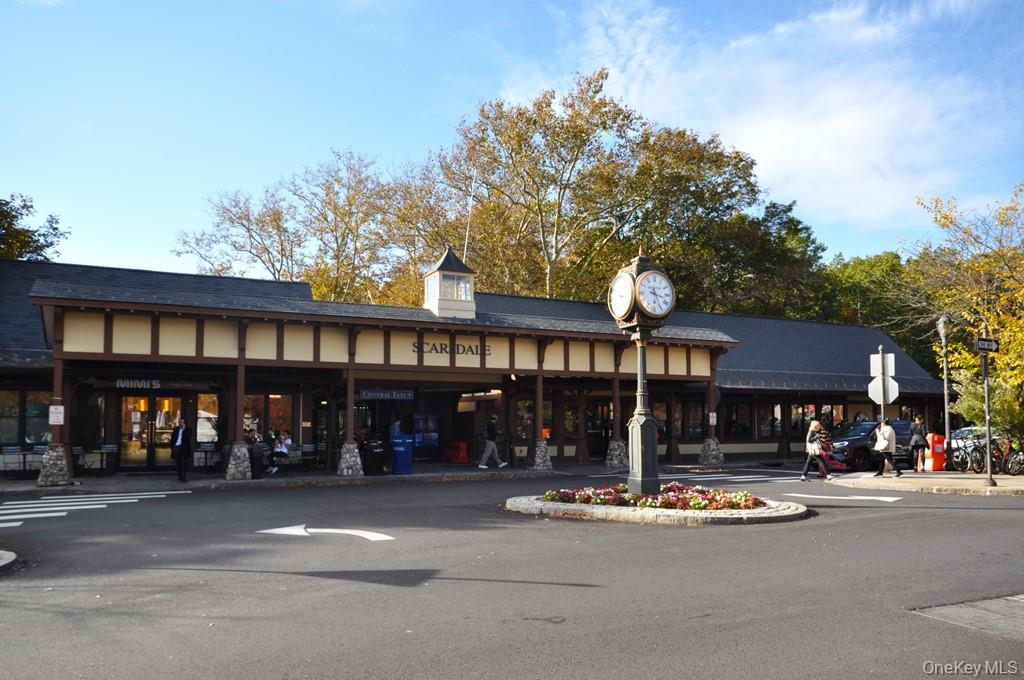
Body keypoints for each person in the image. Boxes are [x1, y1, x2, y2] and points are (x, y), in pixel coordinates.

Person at [170, 417, 192, 482]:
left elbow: (189, 437)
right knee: (178, 463)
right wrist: (172, 447)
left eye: (182, 422)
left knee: (184, 463)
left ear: (185, 423)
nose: (181, 423)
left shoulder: (188, 430)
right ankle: (180, 475)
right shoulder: (176, 429)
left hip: (184, 448)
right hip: (176, 447)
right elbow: (172, 439)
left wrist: (184, 429)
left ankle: (184, 477)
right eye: (180, 422)